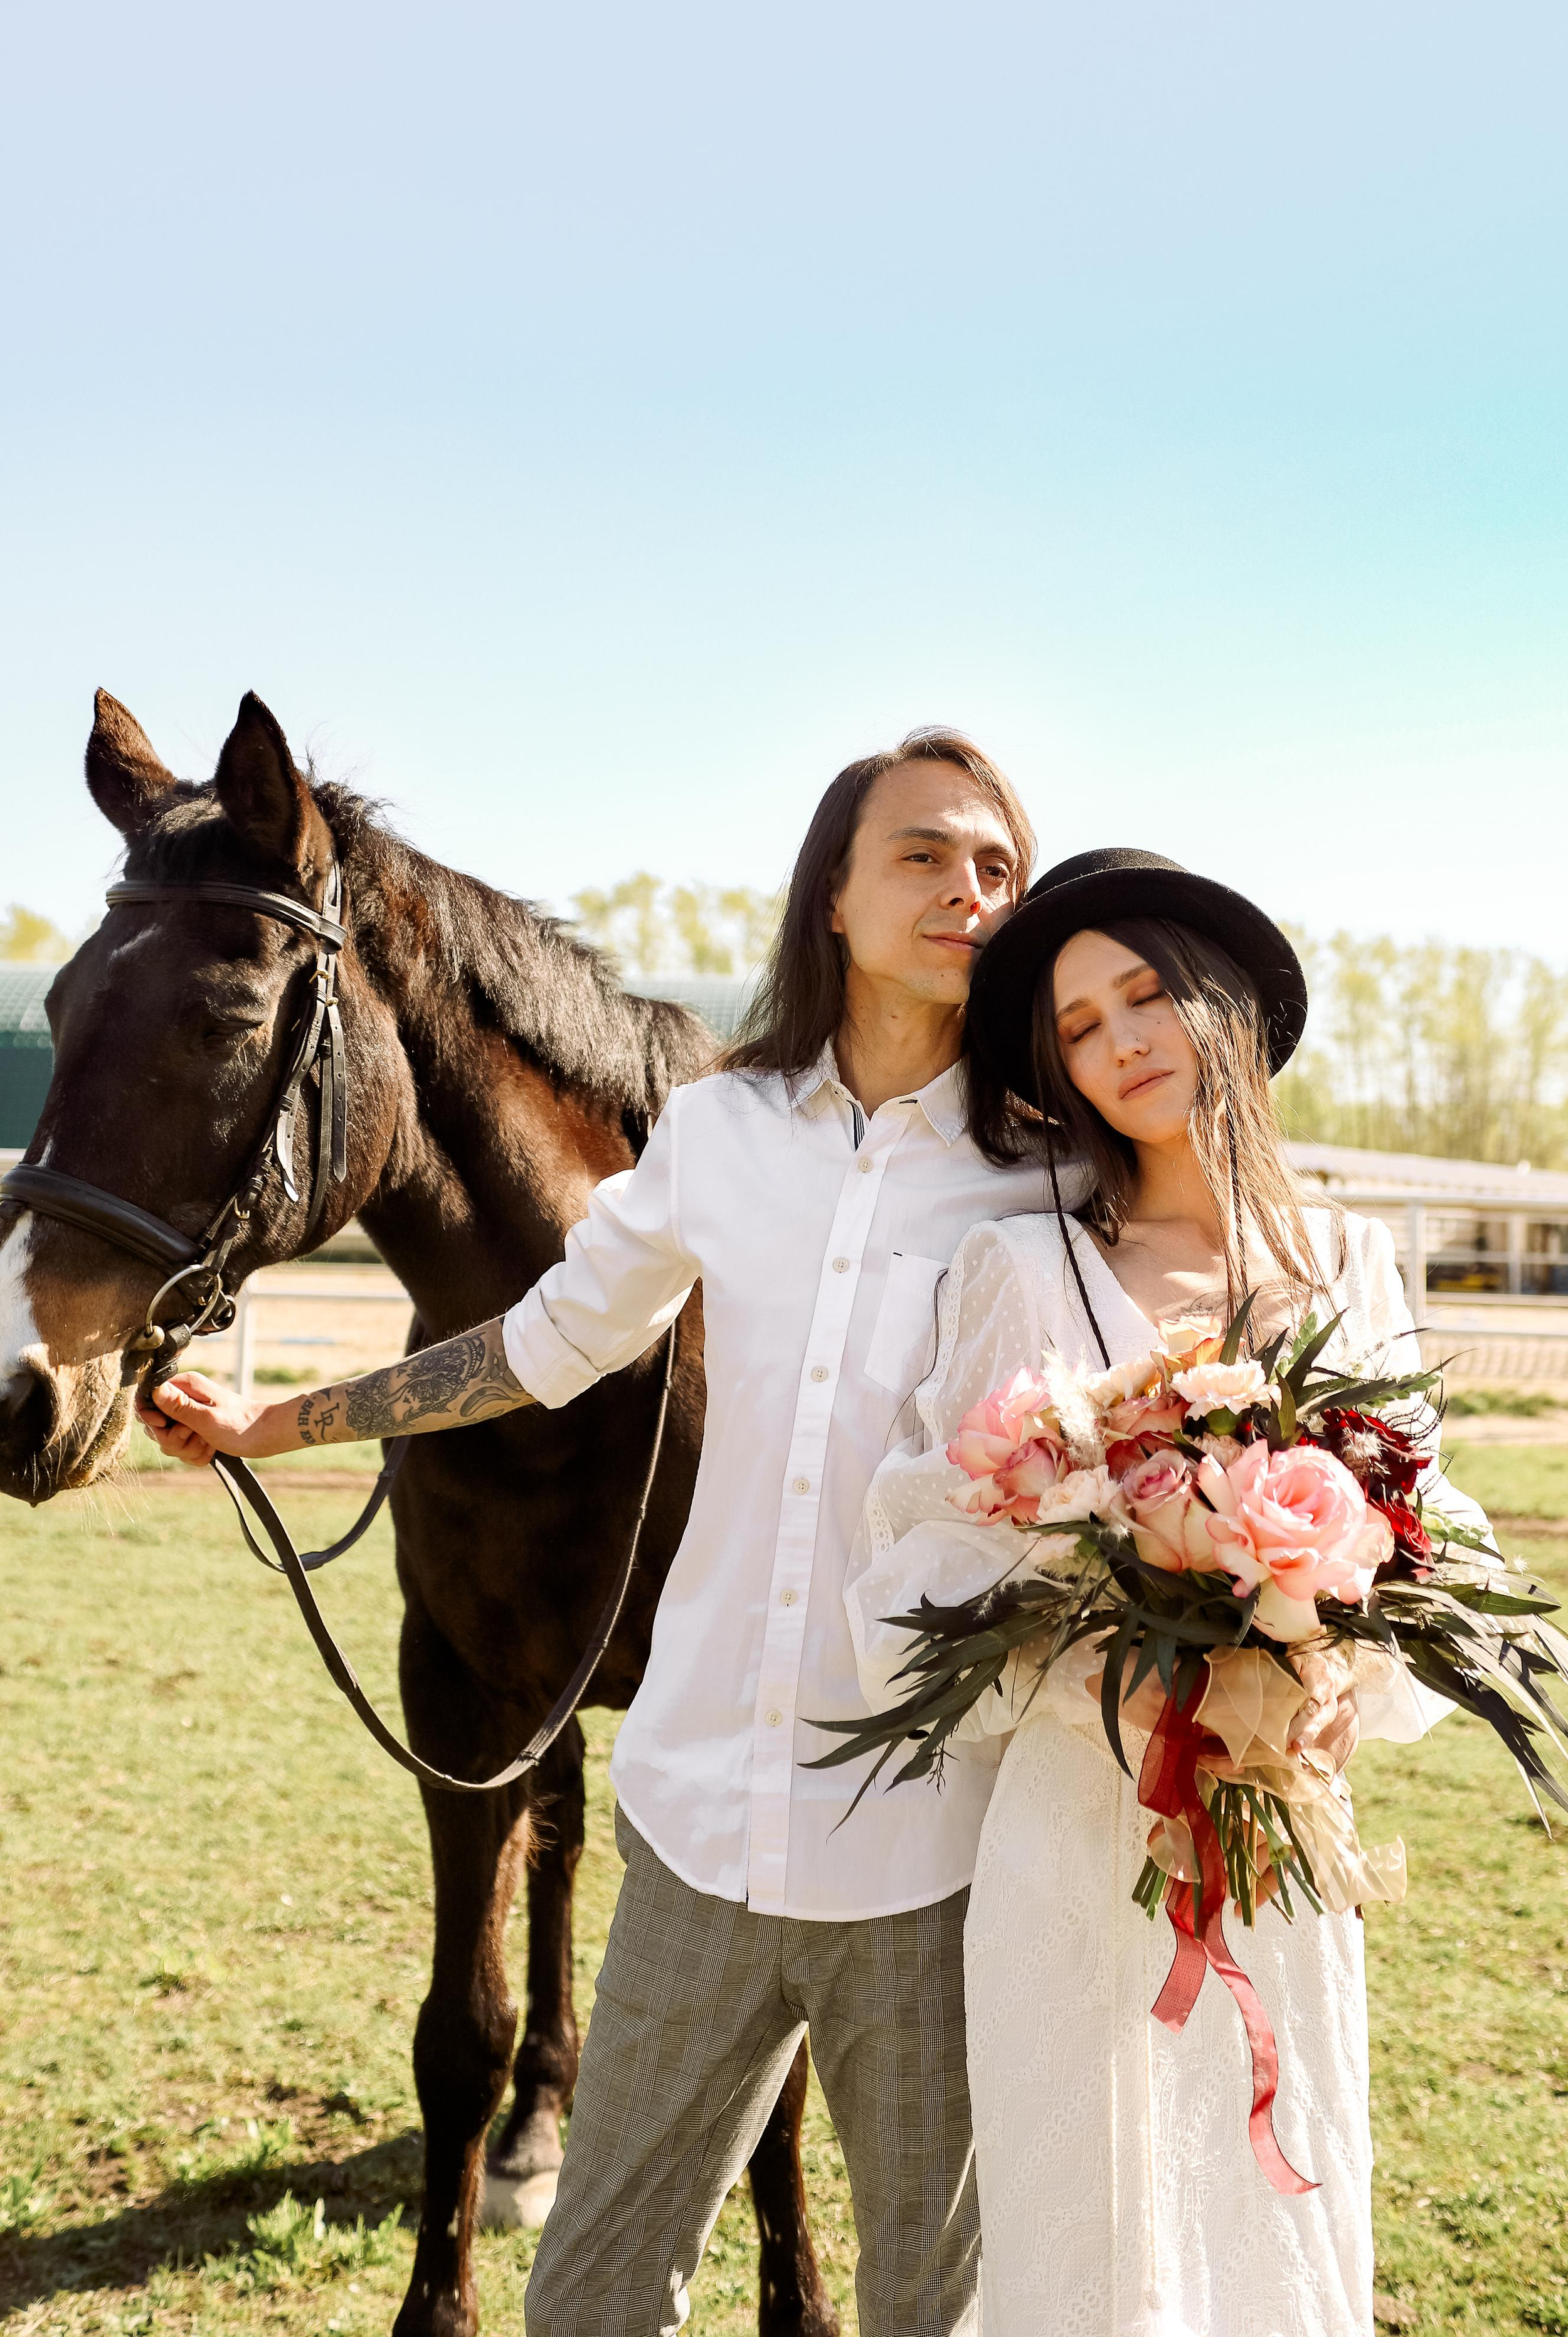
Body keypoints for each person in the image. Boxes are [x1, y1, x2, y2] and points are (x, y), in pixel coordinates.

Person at [139, 732, 1069, 2337]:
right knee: (588, 2301)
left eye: (996, 864)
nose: (966, 889)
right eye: (920, 853)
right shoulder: (720, 1135)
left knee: (934, 2304)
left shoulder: (1052, 1171)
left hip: (926, 1850)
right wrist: (279, 1423)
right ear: (833, 896)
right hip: (697, 1837)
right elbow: (534, 1344)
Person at [843, 847, 1487, 2337]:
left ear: (1224, 1008)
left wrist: (1319, 1665)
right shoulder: (1023, 1266)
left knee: (1275, 2191)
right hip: (1077, 1824)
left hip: (1276, 1846)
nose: (1120, 1040)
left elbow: (1425, 1531)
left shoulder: (1350, 1266)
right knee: (1080, 2222)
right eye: (1076, 1026)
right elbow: (930, 1541)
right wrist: (1108, 1646)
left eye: (1143, 995)